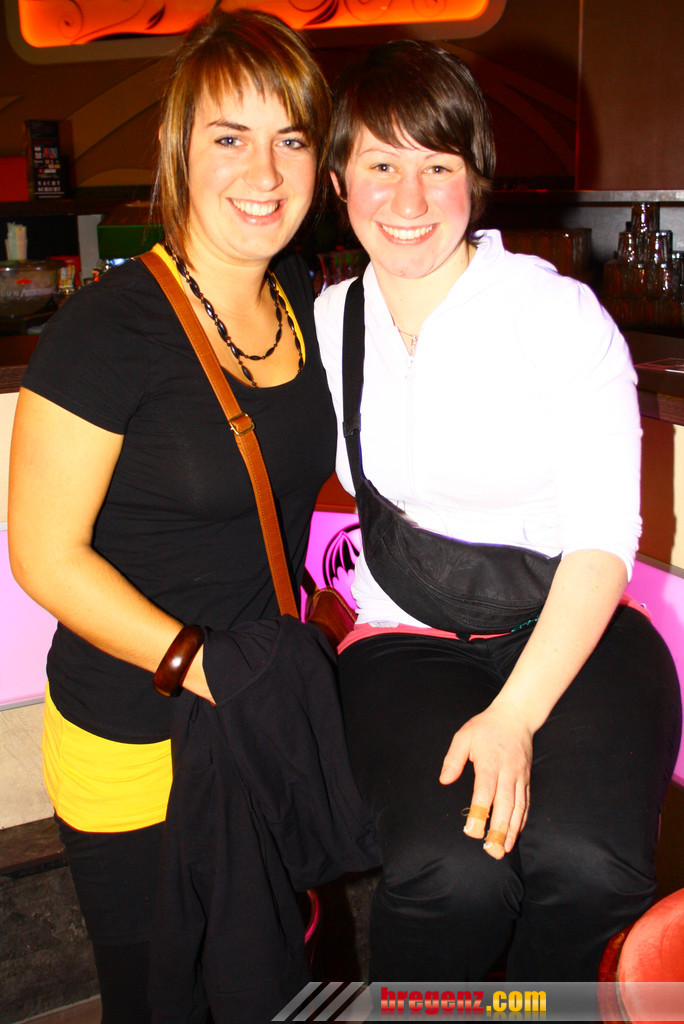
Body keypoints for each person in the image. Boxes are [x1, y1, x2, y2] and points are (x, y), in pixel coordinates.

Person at [314, 40, 682, 983]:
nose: (409, 198)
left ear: (474, 177)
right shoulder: (325, 322)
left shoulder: (555, 317)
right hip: (405, 640)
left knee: (588, 868)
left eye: (438, 166)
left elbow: (604, 539)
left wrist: (513, 716)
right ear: (338, 177)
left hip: (571, 627)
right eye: (381, 165)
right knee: (452, 875)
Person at [8, 9, 336, 1022]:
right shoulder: (107, 329)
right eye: (230, 137)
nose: (264, 173)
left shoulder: (302, 298)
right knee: (162, 997)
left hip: (254, 718)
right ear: (177, 147)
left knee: (270, 982)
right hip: (135, 730)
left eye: (291, 139)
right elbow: (43, 554)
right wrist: (200, 664)